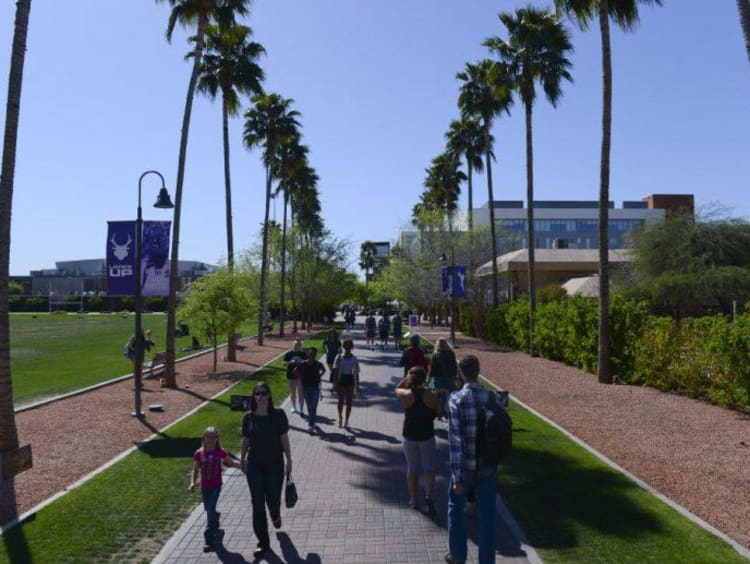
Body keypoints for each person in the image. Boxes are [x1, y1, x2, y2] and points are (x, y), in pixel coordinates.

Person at [445, 355, 501, 564]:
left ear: (461, 373)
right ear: (478, 371)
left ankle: (458, 556)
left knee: (455, 507)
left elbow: (456, 441)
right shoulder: (490, 397)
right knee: (487, 516)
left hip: (466, 466)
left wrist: (458, 477)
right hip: (488, 464)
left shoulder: (456, 399)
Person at [241, 381, 293, 559]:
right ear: (254, 396)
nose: (261, 397)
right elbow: (246, 440)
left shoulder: (278, 415)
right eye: (257, 393)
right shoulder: (248, 417)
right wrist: (242, 460)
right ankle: (263, 542)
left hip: (275, 465)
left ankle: (275, 514)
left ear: (269, 395)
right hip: (254, 465)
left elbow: (284, 438)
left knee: (273, 499)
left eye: (264, 393)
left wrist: (289, 460)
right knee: (257, 502)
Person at [395, 366, 442, 516]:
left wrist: (407, 377)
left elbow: (397, 388)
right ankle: (428, 495)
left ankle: (414, 500)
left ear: (411, 379)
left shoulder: (406, 394)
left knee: (412, 468)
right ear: (425, 378)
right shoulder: (432, 396)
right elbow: (440, 413)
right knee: (429, 467)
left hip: (409, 435)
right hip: (427, 435)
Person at [189, 426, 242, 553]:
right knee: (209, 509)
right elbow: (195, 469)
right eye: (208, 437)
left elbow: (231, 463)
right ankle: (216, 517)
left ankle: (209, 538)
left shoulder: (221, 452)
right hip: (204, 486)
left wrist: (243, 467)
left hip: (216, 486)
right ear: (204, 438)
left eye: (214, 437)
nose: (211, 439)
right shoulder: (199, 453)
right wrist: (192, 483)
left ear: (217, 438)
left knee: (210, 510)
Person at [296, 347, 326, 434]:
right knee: (310, 407)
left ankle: (311, 425)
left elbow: (324, 370)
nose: (311, 355)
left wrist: (319, 376)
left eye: (313, 354)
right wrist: (302, 376)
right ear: (308, 354)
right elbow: (295, 372)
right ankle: (312, 421)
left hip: (315, 388)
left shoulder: (317, 364)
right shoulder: (302, 364)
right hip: (305, 388)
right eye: (310, 353)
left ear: (315, 355)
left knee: (313, 407)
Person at [332, 339, 360, 428]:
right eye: (345, 346)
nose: (347, 348)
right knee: (340, 401)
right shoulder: (339, 357)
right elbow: (335, 371)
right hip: (341, 380)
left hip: (350, 380)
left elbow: (357, 372)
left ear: (351, 347)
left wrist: (357, 386)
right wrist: (335, 384)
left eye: (349, 346)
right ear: (343, 347)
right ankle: (340, 418)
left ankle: (346, 421)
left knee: (349, 402)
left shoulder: (354, 358)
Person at [429, 338, 458, 418]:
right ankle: (447, 411)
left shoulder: (435, 354)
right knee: (448, 395)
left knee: (437, 396)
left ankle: (438, 412)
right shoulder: (451, 353)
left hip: (438, 379)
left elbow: (432, 369)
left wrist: (428, 379)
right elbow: (454, 366)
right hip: (449, 378)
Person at [283, 339, 307, 414]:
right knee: (293, 392)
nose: (296, 346)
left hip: (301, 375)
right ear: (293, 345)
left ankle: (301, 408)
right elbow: (283, 363)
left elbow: (307, 362)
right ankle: (293, 407)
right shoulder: (289, 354)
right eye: (295, 345)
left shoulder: (303, 353)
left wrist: (301, 362)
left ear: (300, 346)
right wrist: (290, 362)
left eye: (297, 345)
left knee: (301, 392)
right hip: (291, 375)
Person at [323, 329, 342, 396]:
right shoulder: (327, 340)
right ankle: (335, 385)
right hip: (329, 357)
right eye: (331, 333)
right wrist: (325, 351)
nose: (332, 334)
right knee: (332, 372)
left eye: (333, 333)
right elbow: (323, 346)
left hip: (335, 358)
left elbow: (340, 349)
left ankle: (334, 386)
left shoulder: (337, 341)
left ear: (335, 334)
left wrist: (339, 354)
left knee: (334, 372)